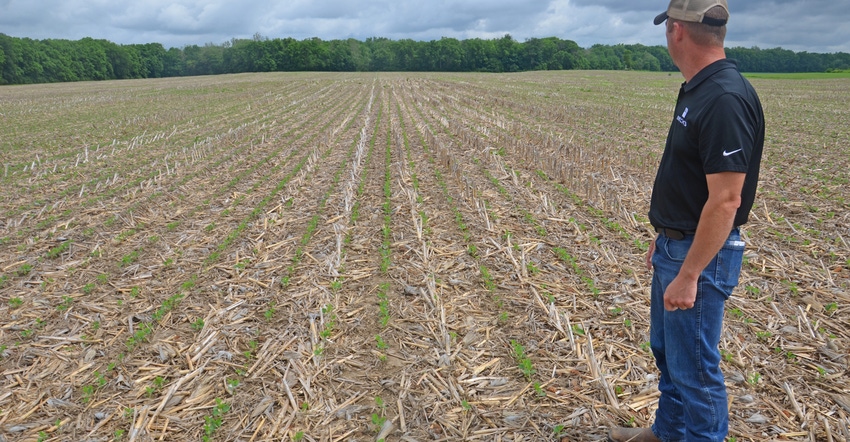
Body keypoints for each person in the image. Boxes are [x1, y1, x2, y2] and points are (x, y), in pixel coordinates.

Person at [608, 1, 765, 441]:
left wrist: (691, 271)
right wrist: (665, 237)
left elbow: (726, 200)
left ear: (677, 30)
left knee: (695, 368)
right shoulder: (703, 88)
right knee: (670, 355)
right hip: (677, 247)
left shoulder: (724, 98)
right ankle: (667, 433)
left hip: (701, 256)